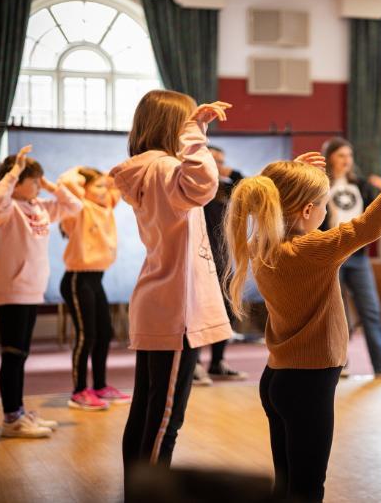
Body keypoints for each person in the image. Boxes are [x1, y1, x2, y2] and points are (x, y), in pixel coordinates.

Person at [225, 148, 381, 502]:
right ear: (308, 210)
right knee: (307, 489)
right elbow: (370, 225)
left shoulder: (264, 245)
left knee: (287, 485)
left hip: (278, 378)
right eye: (323, 205)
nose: (326, 212)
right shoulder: (310, 249)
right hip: (308, 382)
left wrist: (297, 175)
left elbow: (270, 194)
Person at [110, 91, 234, 489]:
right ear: (173, 127)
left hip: (160, 303)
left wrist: (193, 130)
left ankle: (137, 492)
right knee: (165, 421)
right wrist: (195, 131)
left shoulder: (150, 170)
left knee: (147, 411)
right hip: (177, 310)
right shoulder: (165, 169)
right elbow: (205, 184)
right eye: (182, 121)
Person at [0, 145, 82, 438]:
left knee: (21, 355)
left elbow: (75, 207)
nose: (39, 186)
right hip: (11, 290)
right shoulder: (5, 210)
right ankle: (11, 419)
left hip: (31, 290)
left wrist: (51, 185)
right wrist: (15, 170)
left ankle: (18, 411)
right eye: (35, 181)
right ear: (16, 182)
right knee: (13, 355)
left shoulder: (40, 206)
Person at [320, 137, 381, 378]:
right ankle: (338, 364)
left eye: (349, 156)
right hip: (332, 254)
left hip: (358, 255)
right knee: (336, 314)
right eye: (341, 155)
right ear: (330, 158)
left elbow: (379, 211)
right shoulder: (320, 184)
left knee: (371, 310)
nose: (346, 160)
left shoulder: (361, 184)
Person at [59, 166, 131, 409]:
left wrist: (106, 179)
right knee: (86, 336)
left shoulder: (106, 207)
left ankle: (99, 386)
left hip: (95, 280)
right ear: (83, 188)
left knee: (104, 333)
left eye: (103, 186)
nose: (104, 190)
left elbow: (117, 184)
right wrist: (80, 171)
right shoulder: (77, 207)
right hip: (77, 280)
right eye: (97, 186)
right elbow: (66, 183)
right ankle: (79, 391)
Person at [192, 145, 247, 385]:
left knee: (226, 310)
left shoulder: (225, 190)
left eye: (221, 161)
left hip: (223, 259)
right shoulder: (193, 188)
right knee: (197, 313)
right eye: (213, 159)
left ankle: (217, 362)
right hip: (198, 259)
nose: (218, 164)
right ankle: (193, 364)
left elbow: (249, 190)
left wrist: (232, 172)